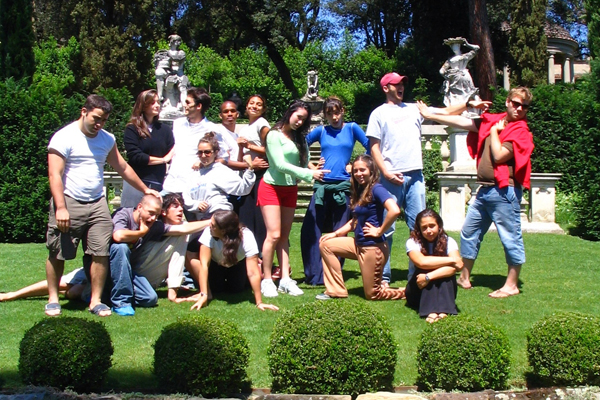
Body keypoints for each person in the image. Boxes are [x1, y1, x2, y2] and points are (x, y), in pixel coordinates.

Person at [46, 94, 160, 317]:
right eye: (96, 118)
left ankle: (96, 300)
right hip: (69, 200)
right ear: (84, 112)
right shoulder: (63, 137)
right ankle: (53, 299)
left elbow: (123, 167)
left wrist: (145, 189)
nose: (99, 124)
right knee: (58, 252)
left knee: (100, 252)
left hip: (97, 203)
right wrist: (60, 207)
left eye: (104, 120)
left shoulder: (106, 139)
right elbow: (54, 174)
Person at [417, 87, 534, 298]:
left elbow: (498, 156)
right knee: (469, 232)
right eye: (516, 104)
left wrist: (493, 133)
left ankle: (511, 285)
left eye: (524, 106)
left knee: (510, 238)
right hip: (485, 191)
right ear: (507, 102)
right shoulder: (494, 121)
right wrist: (430, 113)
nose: (519, 109)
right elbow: (458, 121)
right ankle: (464, 276)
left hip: (505, 192)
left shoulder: (520, 132)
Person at [259, 101, 329, 297]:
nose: (300, 122)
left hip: (290, 188)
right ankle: (266, 280)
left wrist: (314, 167)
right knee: (273, 235)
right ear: (289, 112)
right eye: (298, 117)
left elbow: (304, 162)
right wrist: (308, 175)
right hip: (271, 187)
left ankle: (285, 280)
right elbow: (279, 164)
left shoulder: (300, 138)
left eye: (304, 120)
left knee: (284, 237)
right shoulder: (273, 135)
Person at [300, 96, 370, 286]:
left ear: (343, 111)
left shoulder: (352, 128)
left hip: (344, 188)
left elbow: (371, 147)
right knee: (310, 231)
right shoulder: (321, 130)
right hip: (322, 186)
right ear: (325, 114)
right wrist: (311, 166)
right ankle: (314, 275)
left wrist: (355, 166)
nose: (334, 116)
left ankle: (332, 275)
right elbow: (300, 144)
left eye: (337, 112)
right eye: (329, 113)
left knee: (339, 232)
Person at [317, 154, 405, 300]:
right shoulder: (361, 191)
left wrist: (379, 230)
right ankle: (336, 290)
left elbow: (394, 210)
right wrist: (336, 234)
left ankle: (407, 292)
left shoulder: (377, 189)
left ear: (371, 171)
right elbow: (355, 221)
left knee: (373, 294)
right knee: (326, 244)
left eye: (362, 170)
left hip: (373, 247)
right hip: (357, 244)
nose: (359, 174)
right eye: (356, 171)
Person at [109, 194, 211, 316]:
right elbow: (118, 236)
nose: (153, 218)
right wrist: (142, 232)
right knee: (121, 247)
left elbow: (182, 229)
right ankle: (121, 301)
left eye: (156, 215)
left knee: (150, 299)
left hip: (131, 272)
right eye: (150, 213)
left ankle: (108, 294)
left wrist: (211, 221)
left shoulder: (154, 226)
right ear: (140, 207)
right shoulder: (124, 214)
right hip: (110, 265)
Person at [188, 210, 279, 311]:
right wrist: (204, 294)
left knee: (236, 289)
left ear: (223, 231)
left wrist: (259, 302)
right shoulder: (208, 233)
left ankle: (258, 271)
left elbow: (252, 272)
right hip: (216, 264)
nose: (209, 225)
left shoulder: (246, 236)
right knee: (217, 289)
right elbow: (204, 265)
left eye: (213, 225)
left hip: (238, 264)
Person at [162, 88, 238, 196]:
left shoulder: (211, 129)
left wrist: (203, 163)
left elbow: (223, 158)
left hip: (194, 187)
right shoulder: (178, 124)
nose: (184, 105)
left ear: (198, 106)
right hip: (172, 183)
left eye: (188, 102)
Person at [233, 95, 271, 267]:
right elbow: (242, 154)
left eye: (259, 104)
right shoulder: (245, 128)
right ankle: (251, 257)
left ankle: (264, 259)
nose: (254, 106)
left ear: (263, 109)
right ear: (246, 107)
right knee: (246, 217)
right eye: (251, 103)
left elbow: (270, 148)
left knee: (259, 219)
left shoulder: (262, 124)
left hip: (260, 175)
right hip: (248, 174)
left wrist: (249, 146)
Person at [405, 209, 463, 323]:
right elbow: (421, 262)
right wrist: (452, 260)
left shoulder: (449, 241)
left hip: (429, 281)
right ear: (419, 229)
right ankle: (431, 311)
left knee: (443, 271)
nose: (429, 231)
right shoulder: (412, 242)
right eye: (424, 227)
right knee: (426, 267)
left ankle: (443, 311)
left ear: (439, 225)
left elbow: (457, 267)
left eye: (432, 226)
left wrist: (428, 277)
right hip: (417, 288)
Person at [121, 89, 175, 207]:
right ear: (143, 106)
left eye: (157, 102)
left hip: (157, 181)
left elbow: (172, 152)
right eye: (152, 102)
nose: (157, 105)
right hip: (135, 181)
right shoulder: (132, 129)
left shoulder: (164, 130)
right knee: (132, 215)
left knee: (154, 217)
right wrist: (162, 160)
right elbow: (136, 157)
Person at [0, 268, 88, 303]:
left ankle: (61, 291)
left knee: (74, 293)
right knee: (62, 283)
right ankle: (12, 295)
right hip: (90, 267)